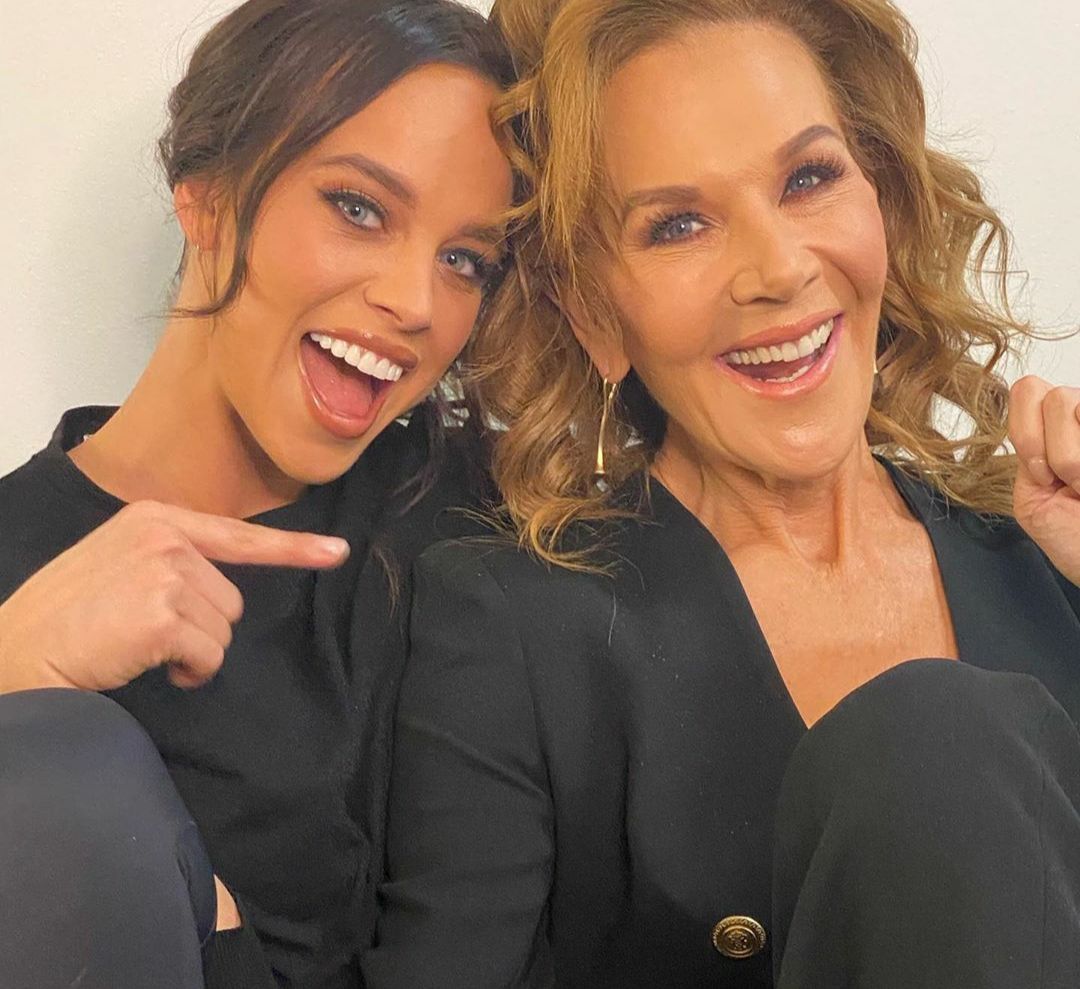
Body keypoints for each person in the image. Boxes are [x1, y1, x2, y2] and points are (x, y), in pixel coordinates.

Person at [363, 0, 1080, 986]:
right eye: (679, 225)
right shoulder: (513, 628)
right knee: (931, 732)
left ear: (881, 201)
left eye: (809, 178)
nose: (778, 270)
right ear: (592, 307)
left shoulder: (1048, 557)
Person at [0, 1, 513, 987]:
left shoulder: (488, 517)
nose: (416, 302)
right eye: (359, 207)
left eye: (465, 260)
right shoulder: (13, 558)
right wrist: (15, 676)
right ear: (205, 200)